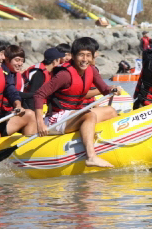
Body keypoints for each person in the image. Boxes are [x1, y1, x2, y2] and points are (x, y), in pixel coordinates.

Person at [34, 37, 122, 168]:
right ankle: (91, 157)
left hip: (74, 114)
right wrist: (40, 124)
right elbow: (39, 94)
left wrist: (112, 88)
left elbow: (104, 89)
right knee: (89, 115)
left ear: (92, 57)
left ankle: (111, 148)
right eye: (81, 55)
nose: (84, 59)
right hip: (56, 119)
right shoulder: (65, 75)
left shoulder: (91, 70)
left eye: (88, 56)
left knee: (111, 111)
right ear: (73, 57)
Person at [2, 45, 35, 112]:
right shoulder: (1, 74)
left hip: (14, 109)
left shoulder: (19, 75)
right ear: (7, 60)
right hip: (2, 112)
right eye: (17, 60)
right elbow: (11, 91)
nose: (20, 64)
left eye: (22, 61)